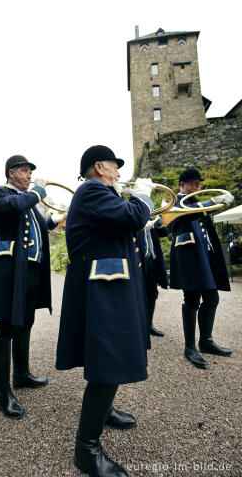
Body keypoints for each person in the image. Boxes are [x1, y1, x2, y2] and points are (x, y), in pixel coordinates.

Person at [56, 145, 155, 477]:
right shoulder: (93, 189)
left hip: (109, 283)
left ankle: (104, 410)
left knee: (109, 356)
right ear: (99, 166)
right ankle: (87, 448)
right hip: (103, 287)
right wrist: (142, 197)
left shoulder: (98, 193)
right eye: (115, 166)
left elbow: (123, 227)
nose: (119, 173)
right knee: (109, 357)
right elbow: (131, 216)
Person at [0, 155, 66, 419]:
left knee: (25, 321)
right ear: (11, 173)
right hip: (9, 270)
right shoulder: (0, 194)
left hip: (30, 269)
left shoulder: (29, 203)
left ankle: (21, 374)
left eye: (31, 172)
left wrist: (57, 218)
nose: (29, 176)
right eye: (25, 171)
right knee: (7, 326)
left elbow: (38, 228)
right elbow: (17, 206)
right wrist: (39, 191)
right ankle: (2, 392)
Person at [169, 168, 234, 369]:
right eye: (193, 183)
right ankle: (190, 348)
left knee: (212, 298)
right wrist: (216, 201)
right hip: (189, 258)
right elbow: (187, 213)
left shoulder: (196, 204)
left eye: (198, 184)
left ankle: (205, 341)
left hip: (205, 258)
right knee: (191, 300)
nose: (197, 187)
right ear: (182, 185)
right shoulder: (175, 202)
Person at [137, 217, 169, 337]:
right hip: (138, 260)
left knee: (152, 293)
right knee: (138, 293)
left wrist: (159, 222)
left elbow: (164, 233)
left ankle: (149, 325)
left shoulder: (153, 217)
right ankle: (138, 325)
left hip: (152, 260)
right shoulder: (133, 213)